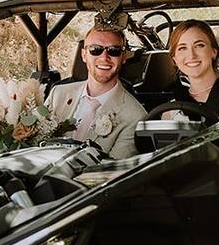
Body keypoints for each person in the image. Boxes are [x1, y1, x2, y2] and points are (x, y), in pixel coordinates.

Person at [46, 25, 147, 159]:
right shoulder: (58, 94)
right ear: (83, 55)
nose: (104, 57)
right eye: (95, 49)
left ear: (124, 57)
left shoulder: (135, 117)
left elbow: (113, 171)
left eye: (114, 50)